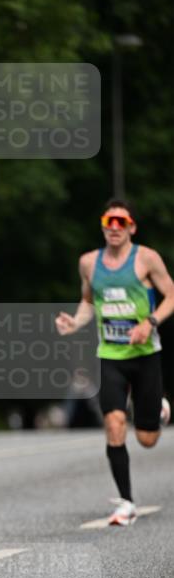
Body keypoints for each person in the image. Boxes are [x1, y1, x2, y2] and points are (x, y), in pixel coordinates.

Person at [56, 199, 174, 525]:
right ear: (103, 224)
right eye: (110, 221)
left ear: (132, 227)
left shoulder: (147, 259)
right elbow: (87, 302)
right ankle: (126, 502)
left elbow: (171, 295)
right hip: (110, 357)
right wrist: (75, 323)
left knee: (147, 439)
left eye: (122, 222)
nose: (115, 228)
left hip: (146, 355)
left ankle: (158, 410)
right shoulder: (89, 264)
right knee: (114, 424)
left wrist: (149, 322)